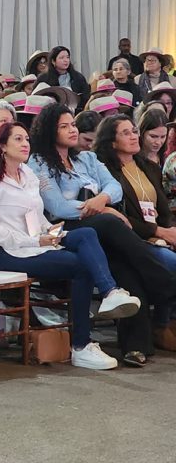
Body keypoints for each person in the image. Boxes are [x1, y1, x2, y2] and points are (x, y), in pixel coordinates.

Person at [0, 122, 139, 370]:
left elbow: (38, 218)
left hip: (36, 242)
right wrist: (35, 240)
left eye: (27, 138)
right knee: (81, 266)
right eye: (18, 139)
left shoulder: (27, 174)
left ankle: (110, 293)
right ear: (2, 145)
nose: (25, 144)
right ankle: (82, 345)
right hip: (3, 252)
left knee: (86, 233)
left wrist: (51, 234)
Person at [28, 103, 176, 366]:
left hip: (102, 231)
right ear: (50, 131)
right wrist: (100, 208)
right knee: (110, 224)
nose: (72, 130)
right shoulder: (39, 162)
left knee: (124, 266)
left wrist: (105, 199)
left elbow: (114, 187)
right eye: (64, 126)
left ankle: (136, 347)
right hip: (65, 230)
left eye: (73, 124)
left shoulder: (86, 158)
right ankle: (165, 283)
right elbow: (57, 206)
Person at [93, 114, 176, 348]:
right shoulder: (107, 171)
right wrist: (159, 232)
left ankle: (167, 323)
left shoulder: (148, 167)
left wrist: (170, 231)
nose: (133, 136)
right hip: (134, 239)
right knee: (170, 264)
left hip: (160, 234)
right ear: (111, 141)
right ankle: (162, 324)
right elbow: (123, 220)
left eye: (134, 131)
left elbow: (163, 209)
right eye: (126, 133)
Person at [36, 46, 91, 111]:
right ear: (53, 61)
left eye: (67, 57)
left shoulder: (78, 77)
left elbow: (86, 96)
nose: (66, 60)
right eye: (61, 58)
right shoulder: (43, 78)